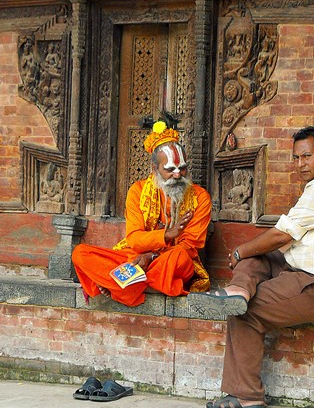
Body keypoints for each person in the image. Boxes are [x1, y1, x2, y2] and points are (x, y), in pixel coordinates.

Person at [187, 126, 314, 408]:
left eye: (307, 157)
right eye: (296, 158)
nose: (300, 164)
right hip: (310, 271)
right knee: (258, 258)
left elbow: (282, 235)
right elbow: (279, 241)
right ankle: (238, 289)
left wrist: (239, 252)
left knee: (243, 311)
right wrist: (248, 253)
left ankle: (246, 395)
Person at [73, 120, 212, 307]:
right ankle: (142, 285)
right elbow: (134, 240)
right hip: (135, 258)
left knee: (179, 258)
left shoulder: (200, 197)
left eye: (182, 168)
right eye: (170, 169)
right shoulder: (137, 191)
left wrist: (152, 257)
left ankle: (122, 286)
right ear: (155, 169)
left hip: (169, 264)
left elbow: (190, 247)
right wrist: (166, 235)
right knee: (81, 254)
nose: (178, 175)